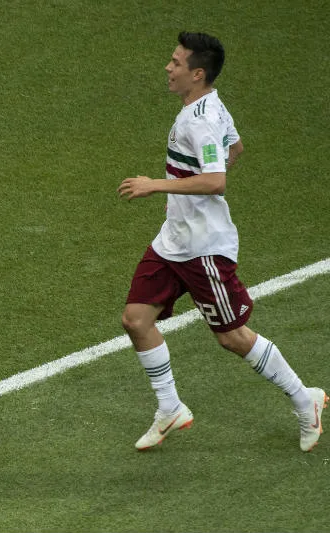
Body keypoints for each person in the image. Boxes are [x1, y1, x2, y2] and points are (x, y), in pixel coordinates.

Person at [118, 32, 326, 452]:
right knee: (136, 320)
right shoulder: (208, 105)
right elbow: (236, 148)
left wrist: (157, 186)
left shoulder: (200, 120)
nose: (168, 68)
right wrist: (182, 191)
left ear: (197, 73)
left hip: (203, 248)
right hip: (173, 240)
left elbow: (217, 180)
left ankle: (306, 399)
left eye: (176, 63)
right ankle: (171, 407)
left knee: (232, 337)